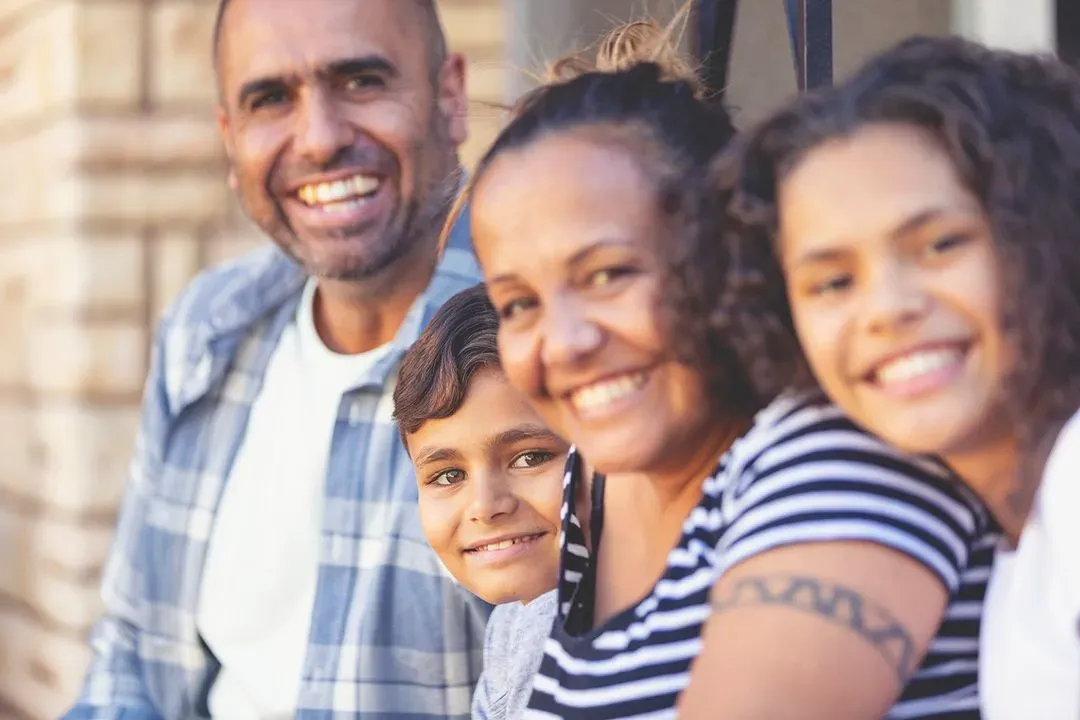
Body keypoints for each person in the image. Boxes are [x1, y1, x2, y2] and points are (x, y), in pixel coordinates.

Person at [456, 14, 999, 720]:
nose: (562, 342)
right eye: (518, 303)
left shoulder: (837, 460)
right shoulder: (590, 482)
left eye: (609, 274)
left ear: (729, 257)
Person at [63, 0, 491, 717]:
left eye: (361, 81)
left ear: (449, 94)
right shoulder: (208, 329)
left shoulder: (538, 346)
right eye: (270, 98)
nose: (319, 139)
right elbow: (135, 646)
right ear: (230, 137)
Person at [711, 34, 1080, 719]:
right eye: (832, 282)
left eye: (940, 244)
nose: (887, 309)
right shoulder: (1018, 546)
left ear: (1051, 229)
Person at [393, 284, 567, 720]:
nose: (486, 506)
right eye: (448, 476)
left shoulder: (569, 625)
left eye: (530, 458)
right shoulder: (513, 623)